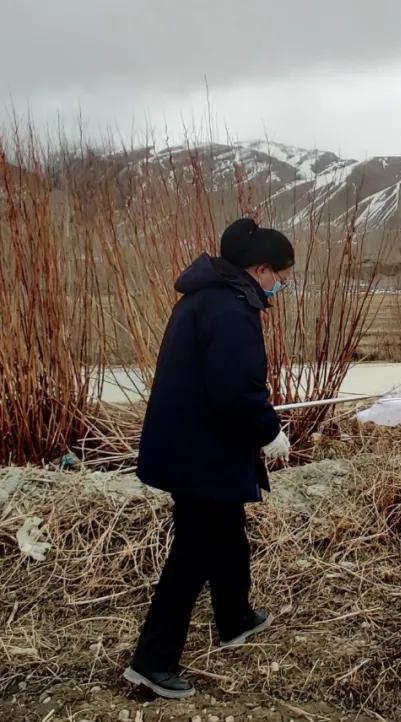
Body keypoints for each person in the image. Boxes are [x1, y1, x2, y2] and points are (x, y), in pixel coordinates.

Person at [123, 218, 295, 699]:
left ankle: (235, 616)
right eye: (278, 275)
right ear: (259, 269)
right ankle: (151, 662)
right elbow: (235, 392)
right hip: (201, 451)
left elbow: (222, 385)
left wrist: (257, 420)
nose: (279, 286)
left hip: (194, 444)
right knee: (193, 551)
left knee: (226, 530)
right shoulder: (230, 309)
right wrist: (269, 431)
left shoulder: (205, 298)